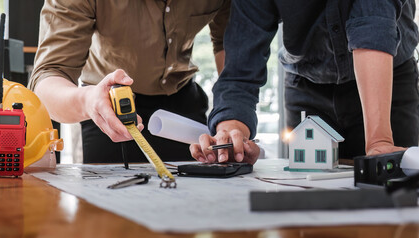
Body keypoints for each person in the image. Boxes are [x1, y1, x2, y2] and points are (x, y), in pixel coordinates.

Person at [190, 0, 419, 164]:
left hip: (384, 79)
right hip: (306, 84)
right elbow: (241, 66)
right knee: (307, 197)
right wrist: (232, 135)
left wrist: (379, 140)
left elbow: (372, 26)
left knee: (393, 197)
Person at [30, 0, 230, 163]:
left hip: (184, 104)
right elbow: (48, 78)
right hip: (108, 107)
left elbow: (228, 46)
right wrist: (88, 101)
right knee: (106, 208)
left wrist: (229, 116)